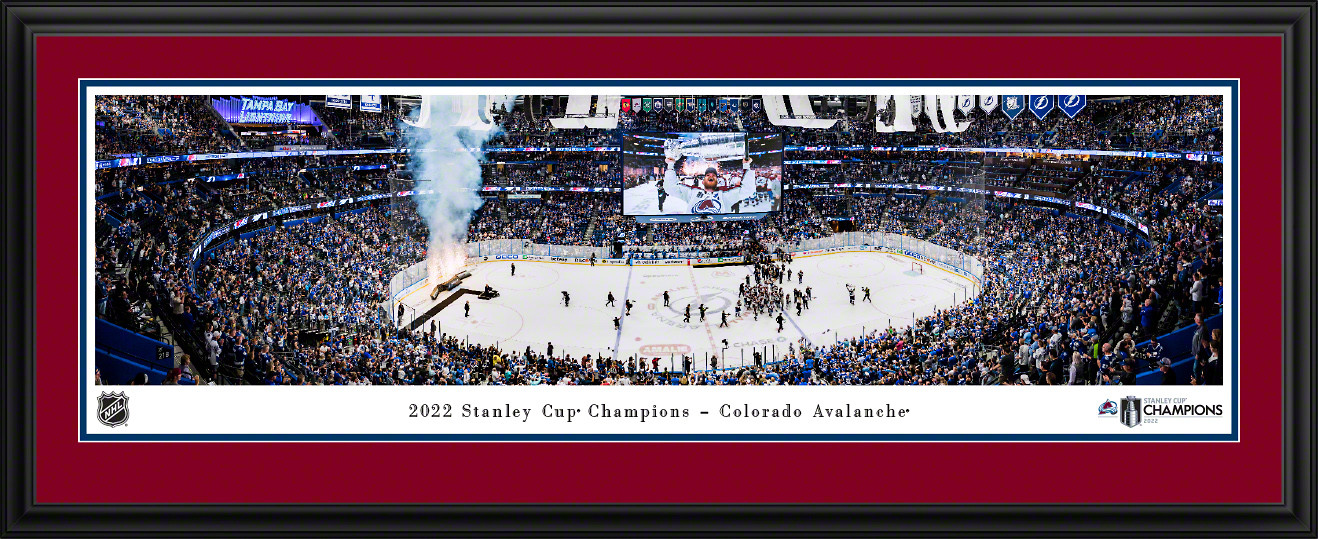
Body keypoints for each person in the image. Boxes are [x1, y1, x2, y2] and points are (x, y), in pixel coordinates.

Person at [661, 145, 759, 215]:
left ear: (718, 181)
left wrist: (746, 165)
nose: (711, 176)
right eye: (707, 175)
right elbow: (670, 188)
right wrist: (670, 164)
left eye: (713, 175)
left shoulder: (725, 195)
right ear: (702, 181)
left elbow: (748, 190)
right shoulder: (692, 192)